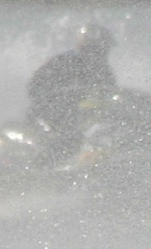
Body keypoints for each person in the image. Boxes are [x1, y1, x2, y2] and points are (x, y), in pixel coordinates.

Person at [24, 23, 118, 165]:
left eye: (105, 48)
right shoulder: (63, 61)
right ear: (88, 45)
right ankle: (37, 166)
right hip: (49, 117)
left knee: (101, 134)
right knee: (65, 141)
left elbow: (109, 96)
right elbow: (34, 87)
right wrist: (64, 97)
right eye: (101, 47)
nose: (104, 52)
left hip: (82, 120)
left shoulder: (105, 72)